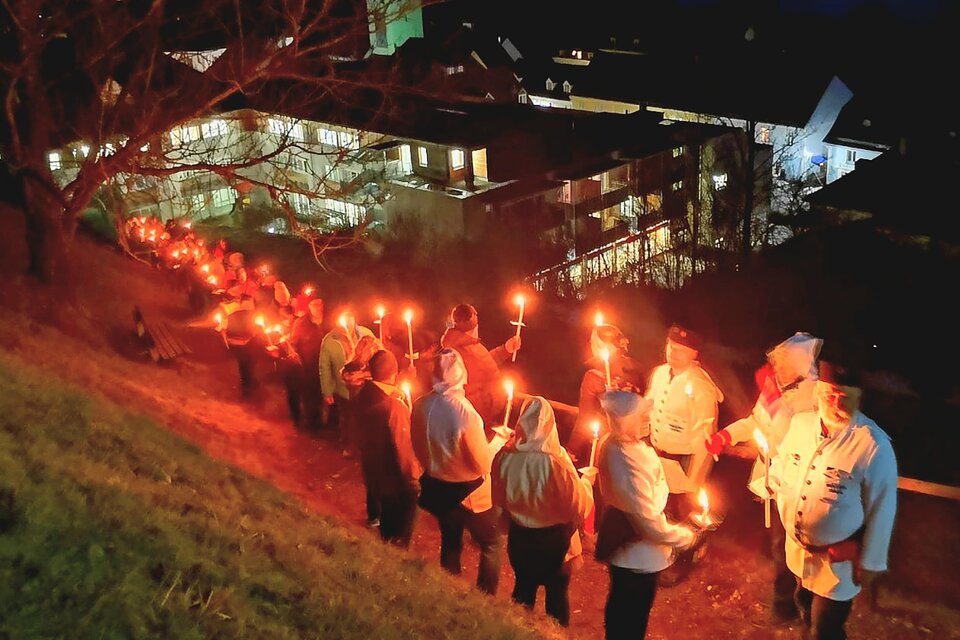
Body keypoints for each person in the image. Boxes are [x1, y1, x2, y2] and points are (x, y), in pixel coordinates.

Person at [769, 348, 897, 640]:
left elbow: (883, 508)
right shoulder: (800, 424)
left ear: (858, 397)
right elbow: (781, 462)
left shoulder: (872, 445)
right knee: (803, 603)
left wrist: (868, 560)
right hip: (798, 549)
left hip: (837, 562)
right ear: (818, 392)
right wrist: (773, 481)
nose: (837, 402)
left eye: (845, 397)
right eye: (830, 395)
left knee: (825, 628)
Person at [705, 332, 822, 622]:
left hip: (798, 482)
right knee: (779, 542)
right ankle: (787, 601)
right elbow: (755, 422)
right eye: (777, 362)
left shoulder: (814, 395)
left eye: (783, 363)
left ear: (800, 365)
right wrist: (725, 435)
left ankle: (803, 602)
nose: (777, 367)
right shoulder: (773, 388)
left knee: (797, 542)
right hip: (773, 479)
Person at [595, 390, 698, 640]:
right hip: (636, 555)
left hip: (634, 552)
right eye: (641, 415)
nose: (648, 418)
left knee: (624, 606)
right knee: (631, 617)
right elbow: (647, 522)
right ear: (624, 421)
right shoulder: (623, 460)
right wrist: (683, 537)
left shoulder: (626, 445)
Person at [410, 348, 510, 595]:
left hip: (439, 487)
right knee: (491, 542)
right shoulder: (465, 413)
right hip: (470, 494)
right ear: (461, 375)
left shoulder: (421, 404)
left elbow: (418, 444)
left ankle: (448, 589)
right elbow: (482, 463)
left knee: (451, 540)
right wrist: (499, 440)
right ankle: (485, 597)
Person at [491, 396, 595, 626]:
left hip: (521, 536)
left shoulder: (505, 457)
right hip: (553, 540)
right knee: (556, 594)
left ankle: (514, 630)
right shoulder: (557, 464)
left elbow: (498, 496)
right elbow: (578, 506)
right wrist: (587, 482)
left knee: (523, 589)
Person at [644, 324, 723, 514]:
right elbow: (648, 408)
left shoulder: (700, 386)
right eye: (671, 346)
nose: (673, 352)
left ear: (694, 354)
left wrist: (693, 483)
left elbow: (705, 437)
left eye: (681, 350)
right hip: (655, 464)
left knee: (678, 523)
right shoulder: (660, 373)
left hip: (681, 471)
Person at [353, 350, 422, 547]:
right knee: (399, 531)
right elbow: (403, 446)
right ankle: (396, 560)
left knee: (386, 526)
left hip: (373, 469)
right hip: (395, 479)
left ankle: (385, 548)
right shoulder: (393, 407)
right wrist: (413, 479)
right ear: (394, 372)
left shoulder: (363, 393)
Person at [567, 322, 643, 465]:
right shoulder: (636, 368)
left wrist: (571, 449)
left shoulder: (594, 377)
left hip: (604, 444)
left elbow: (585, 418)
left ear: (598, 346)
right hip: (633, 448)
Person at [440, 303, 521, 429]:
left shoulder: (467, 344)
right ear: (472, 320)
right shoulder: (459, 350)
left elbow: (483, 363)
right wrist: (484, 420)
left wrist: (506, 349)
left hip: (486, 413)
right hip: (483, 417)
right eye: (475, 314)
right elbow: (473, 390)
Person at [320, 311, 375, 444]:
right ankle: (349, 444)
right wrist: (327, 391)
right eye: (345, 318)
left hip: (365, 386)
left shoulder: (365, 333)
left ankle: (363, 444)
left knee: (364, 416)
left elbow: (377, 352)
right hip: (343, 388)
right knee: (347, 417)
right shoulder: (330, 340)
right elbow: (324, 367)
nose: (349, 322)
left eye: (351, 318)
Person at [289, 298, 326, 430]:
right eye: (314, 304)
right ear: (309, 306)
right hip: (308, 364)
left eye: (320, 304)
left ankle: (320, 420)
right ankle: (312, 425)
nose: (318, 307)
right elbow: (294, 343)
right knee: (310, 395)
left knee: (321, 394)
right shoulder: (301, 323)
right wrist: (298, 359)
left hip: (324, 364)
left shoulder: (326, 320)